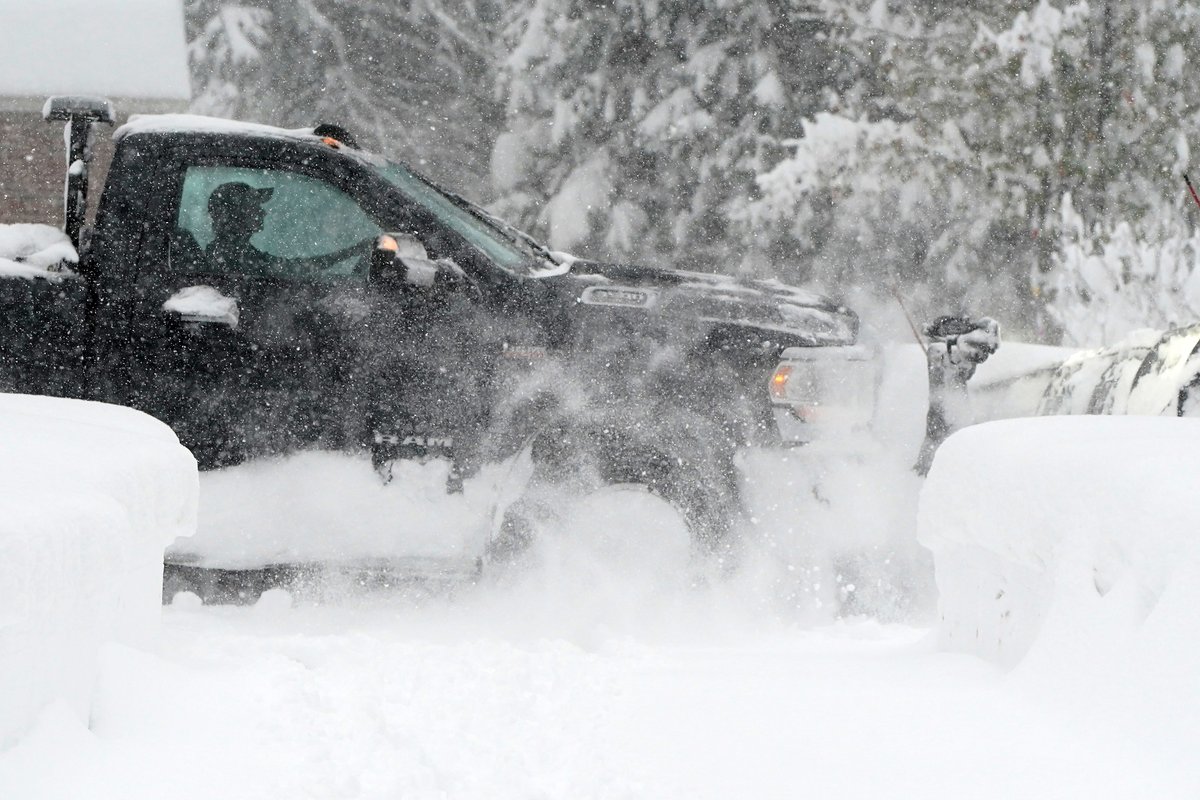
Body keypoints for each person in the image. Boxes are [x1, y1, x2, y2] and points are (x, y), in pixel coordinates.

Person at [204, 181, 368, 277]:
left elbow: (288, 269)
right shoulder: (232, 255)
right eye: (254, 206)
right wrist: (351, 252)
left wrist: (350, 253)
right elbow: (291, 269)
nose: (263, 211)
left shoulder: (235, 250)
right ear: (235, 215)